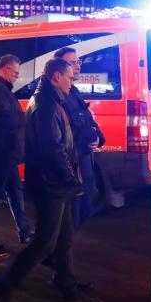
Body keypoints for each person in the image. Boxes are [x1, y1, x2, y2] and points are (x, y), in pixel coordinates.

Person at [0, 58, 103, 302]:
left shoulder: (51, 100)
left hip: (54, 182)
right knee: (45, 242)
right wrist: (69, 179)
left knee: (64, 239)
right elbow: (52, 149)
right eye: (68, 76)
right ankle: (3, 286)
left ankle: (68, 288)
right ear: (55, 76)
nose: (72, 80)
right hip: (51, 184)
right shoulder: (45, 104)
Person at [0, 54, 34, 246]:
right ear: (5, 69)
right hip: (0, 153)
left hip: (6, 153)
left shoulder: (1, 88)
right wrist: (27, 119)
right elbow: (6, 118)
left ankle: (24, 229)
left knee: (15, 191)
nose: (16, 77)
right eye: (15, 73)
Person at [54, 47, 106, 231]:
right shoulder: (59, 97)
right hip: (74, 164)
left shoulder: (73, 91)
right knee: (72, 216)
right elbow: (67, 132)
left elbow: (87, 119)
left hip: (84, 159)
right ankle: (56, 255)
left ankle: (58, 253)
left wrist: (98, 137)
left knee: (84, 209)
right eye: (72, 62)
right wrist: (89, 135)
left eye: (78, 62)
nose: (77, 66)